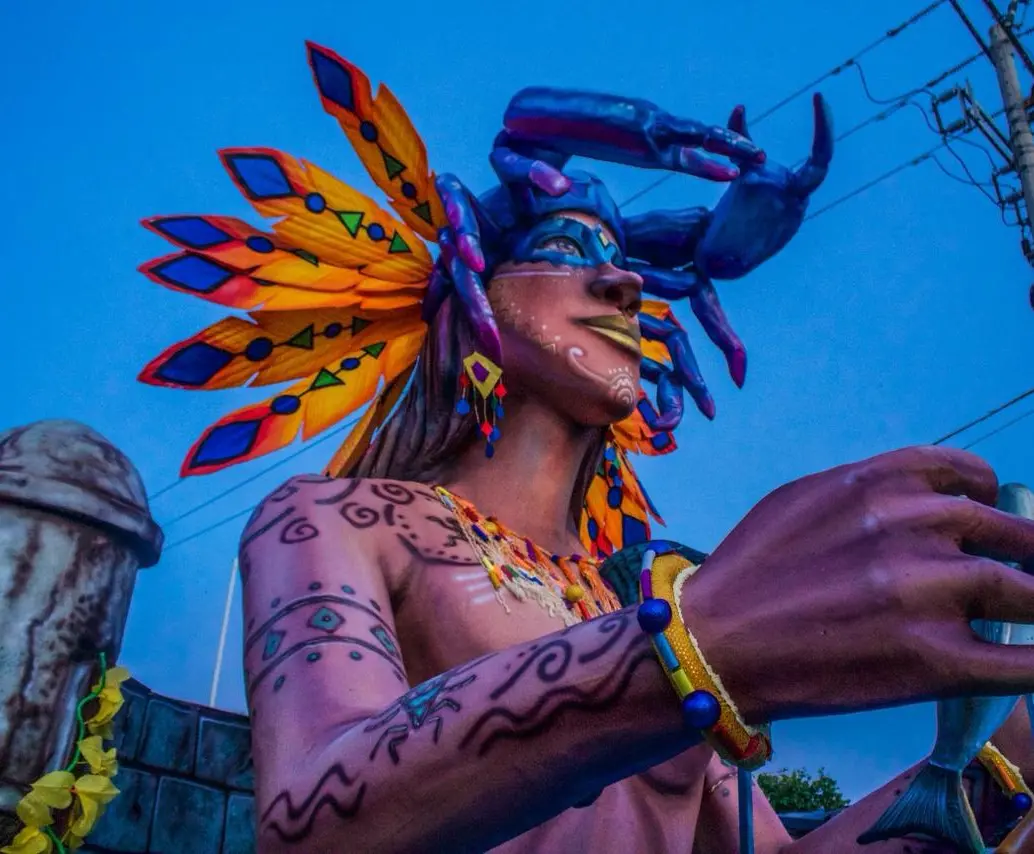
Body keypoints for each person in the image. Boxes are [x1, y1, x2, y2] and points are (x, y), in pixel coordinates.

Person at [138, 43, 1034, 853]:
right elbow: (310, 813)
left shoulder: (638, 595)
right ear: (469, 299)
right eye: (567, 246)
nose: (622, 284)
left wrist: (990, 768)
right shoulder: (335, 520)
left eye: (627, 265)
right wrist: (693, 647)